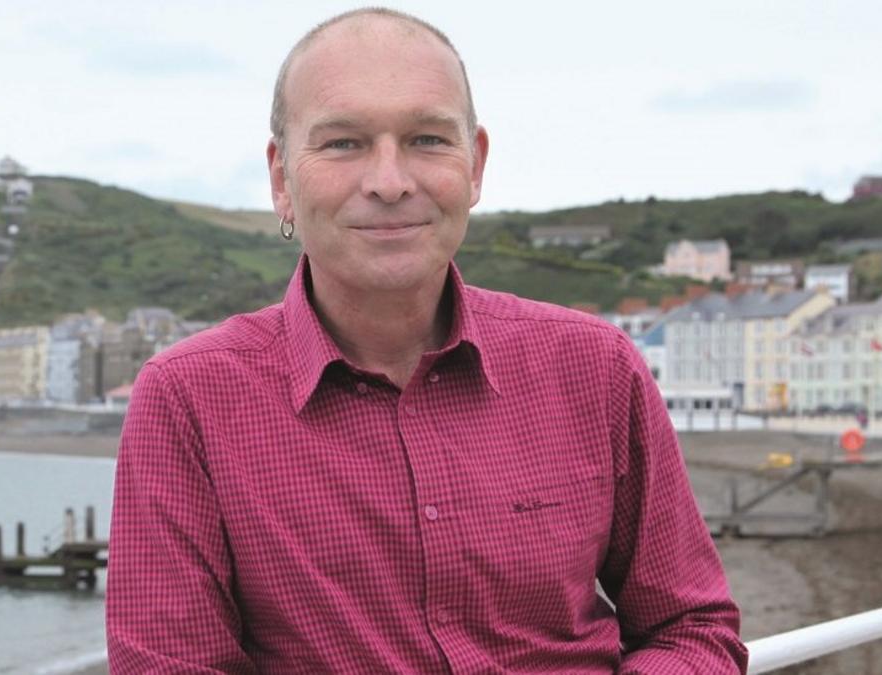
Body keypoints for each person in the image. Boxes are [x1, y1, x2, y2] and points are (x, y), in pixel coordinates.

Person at [107, 8, 747, 673]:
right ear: (280, 179)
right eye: (343, 143)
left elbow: (691, 627)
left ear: (475, 165)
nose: (390, 182)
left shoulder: (595, 368)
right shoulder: (189, 399)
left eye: (427, 139)